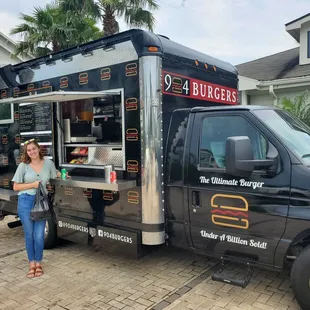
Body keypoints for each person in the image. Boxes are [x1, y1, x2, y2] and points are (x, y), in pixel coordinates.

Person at [11, 138, 64, 278]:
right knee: (29, 235)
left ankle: (39, 263)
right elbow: (16, 186)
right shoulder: (23, 165)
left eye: (34, 149)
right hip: (25, 201)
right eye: (29, 150)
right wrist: (32, 185)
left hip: (41, 202)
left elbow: (55, 173)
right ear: (26, 152)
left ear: (39, 149)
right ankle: (32, 264)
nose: (32, 152)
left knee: (39, 236)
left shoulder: (48, 164)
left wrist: (63, 174)